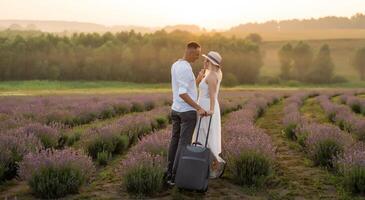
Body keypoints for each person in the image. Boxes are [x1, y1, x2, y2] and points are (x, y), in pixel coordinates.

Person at [166, 42, 207, 186]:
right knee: (183, 145)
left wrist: (198, 79)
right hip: (186, 113)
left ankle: (169, 173)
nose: (197, 57)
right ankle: (175, 177)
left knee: (174, 142)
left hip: (176, 109)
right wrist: (198, 108)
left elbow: (187, 88)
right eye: (196, 54)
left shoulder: (176, 64)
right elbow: (183, 93)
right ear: (189, 52)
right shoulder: (185, 68)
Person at [193, 51, 226, 179]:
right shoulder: (207, 74)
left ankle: (216, 165)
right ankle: (204, 166)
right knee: (202, 135)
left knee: (206, 135)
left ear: (211, 63)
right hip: (202, 105)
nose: (204, 62)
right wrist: (199, 77)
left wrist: (211, 110)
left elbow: (212, 96)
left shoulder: (212, 76)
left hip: (207, 108)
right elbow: (197, 87)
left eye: (206, 60)